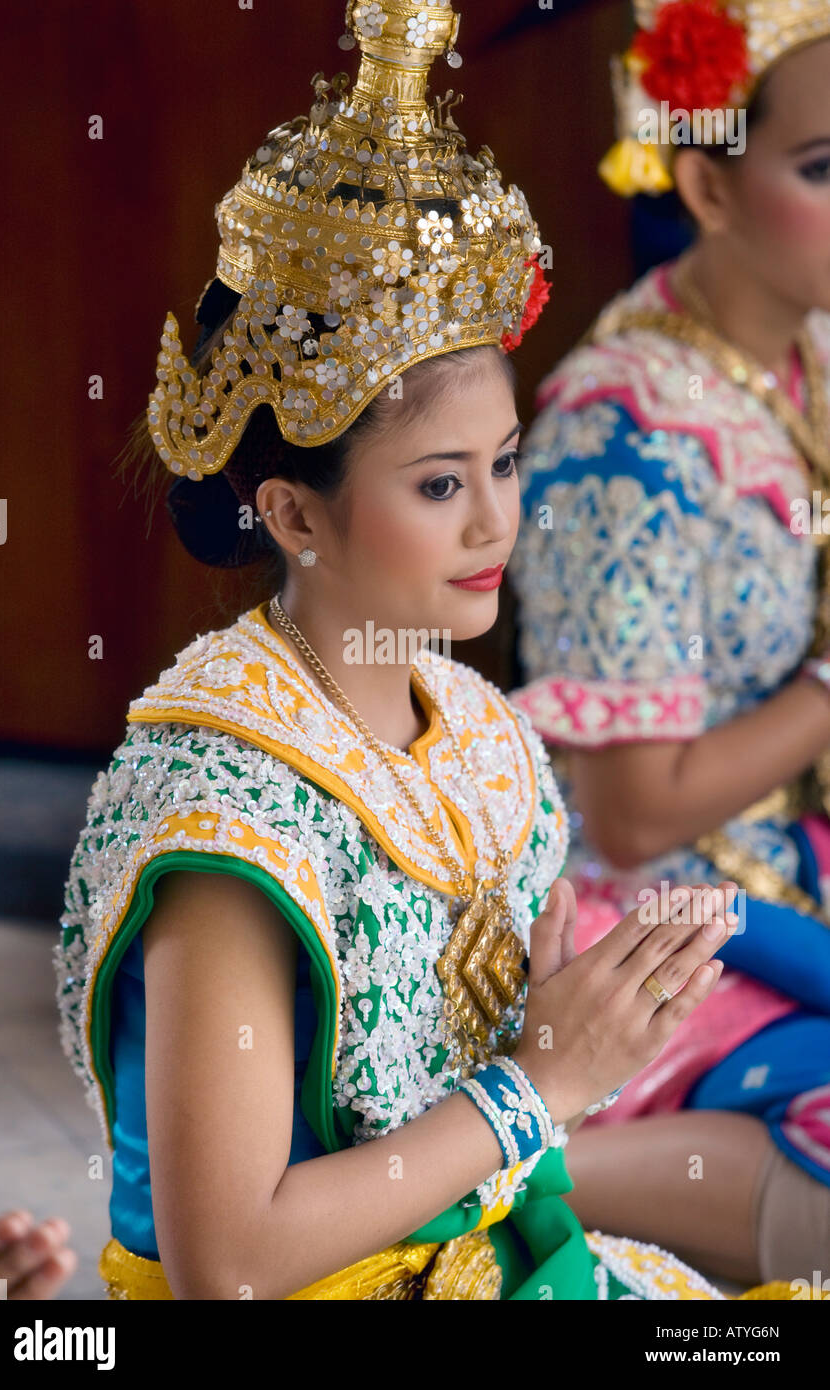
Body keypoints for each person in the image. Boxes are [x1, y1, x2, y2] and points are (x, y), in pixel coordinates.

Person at [55, 0, 772, 1302]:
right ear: (292, 512)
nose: (498, 516)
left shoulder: (467, 723)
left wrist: (580, 1031)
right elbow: (227, 1263)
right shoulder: (230, 811)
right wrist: (534, 1083)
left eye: (503, 463)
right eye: (441, 485)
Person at [508, 0, 830, 1289]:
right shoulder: (625, 438)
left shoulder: (804, 346)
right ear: (705, 180)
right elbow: (633, 815)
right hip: (668, 911)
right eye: (824, 169)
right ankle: (500, 1174)